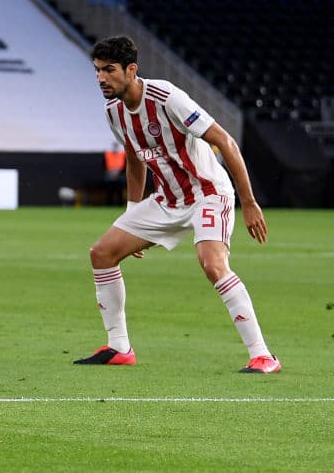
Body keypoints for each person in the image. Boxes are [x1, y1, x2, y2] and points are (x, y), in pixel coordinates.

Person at [75, 35, 279, 373]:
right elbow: (134, 157)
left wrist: (249, 202)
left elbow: (225, 141)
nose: (101, 78)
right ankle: (119, 347)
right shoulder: (113, 111)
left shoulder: (167, 96)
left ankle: (263, 355)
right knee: (102, 254)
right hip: (168, 200)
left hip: (208, 193)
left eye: (109, 70)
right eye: (97, 70)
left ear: (131, 70)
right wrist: (132, 211)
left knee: (212, 264)